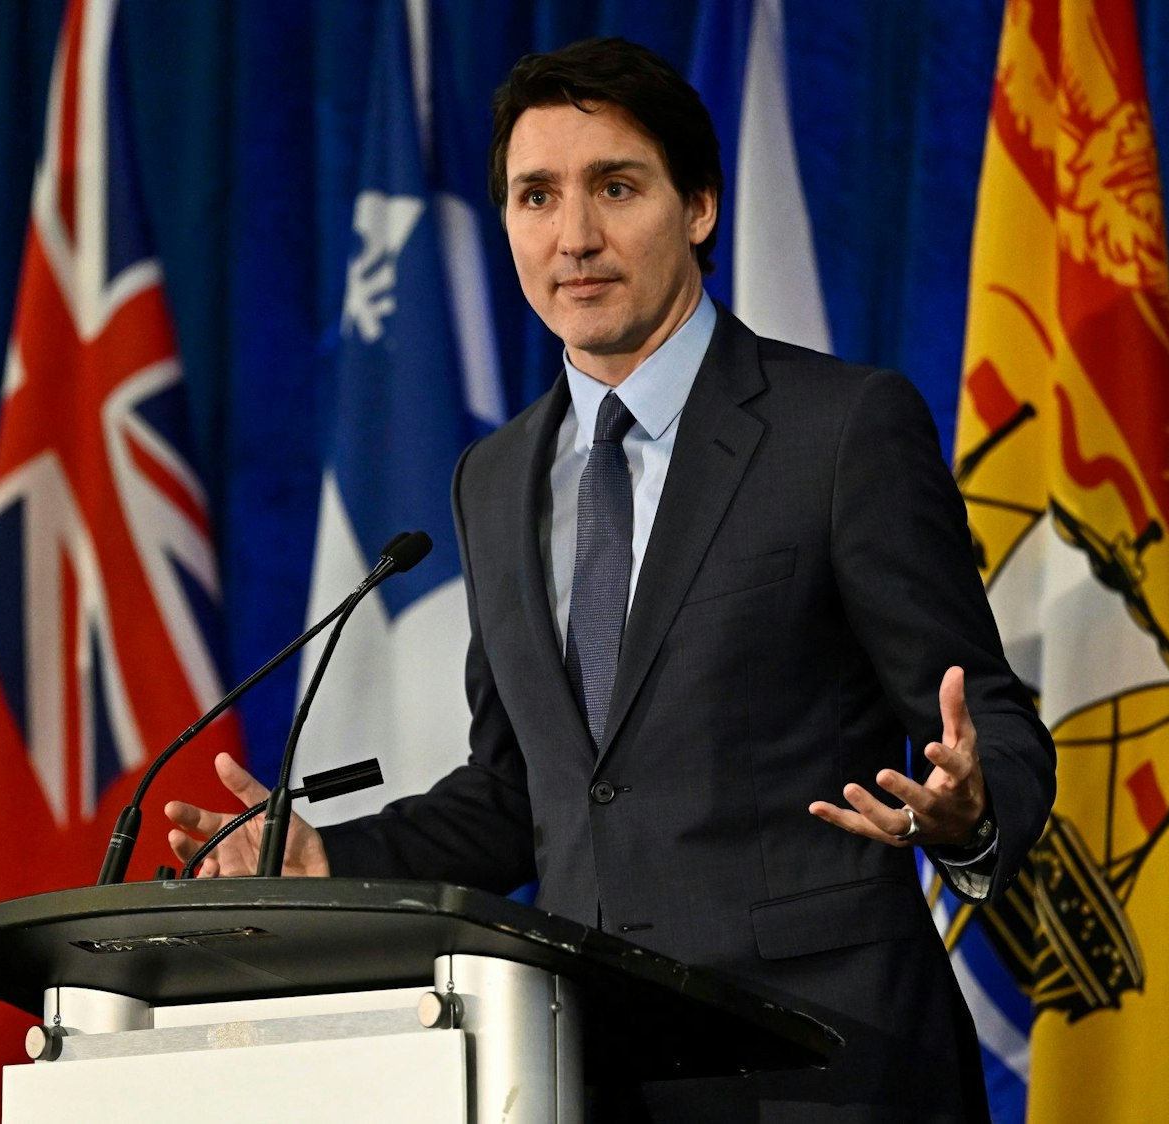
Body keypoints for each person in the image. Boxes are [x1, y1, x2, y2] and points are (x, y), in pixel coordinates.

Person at [167, 36, 1055, 1121]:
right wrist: (322, 858)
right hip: (590, 1067)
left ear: (699, 207)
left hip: (829, 1063)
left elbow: (994, 722)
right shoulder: (492, 479)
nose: (573, 235)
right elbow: (517, 794)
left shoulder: (840, 430)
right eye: (535, 196)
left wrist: (964, 813)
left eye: (615, 187)